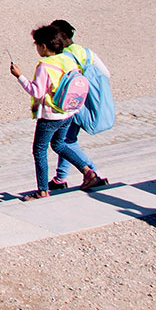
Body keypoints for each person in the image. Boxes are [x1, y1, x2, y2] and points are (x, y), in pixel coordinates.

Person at [13, 24, 106, 200]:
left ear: (44, 46)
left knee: (39, 150)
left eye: (37, 45)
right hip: (68, 111)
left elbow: (37, 92)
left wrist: (19, 76)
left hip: (51, 115)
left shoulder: (44, 65)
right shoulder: (67, 59)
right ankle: (88, 172)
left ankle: (42, 190)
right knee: (59, 144)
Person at [47, 20, 108, 190]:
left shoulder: (63, 56)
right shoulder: (87, 52)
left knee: (65, 142)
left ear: (62, 36)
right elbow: (105, 74)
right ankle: (60, 179)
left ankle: (92, 173)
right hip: (85, 103)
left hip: (70, 104)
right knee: (67, 139)